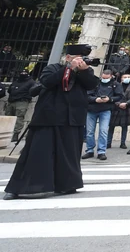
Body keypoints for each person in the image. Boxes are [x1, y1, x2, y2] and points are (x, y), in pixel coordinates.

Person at [4, 44, 99, 200]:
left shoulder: (85, 73)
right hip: (48, 118)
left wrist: (82, 70)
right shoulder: (53, 68)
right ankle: (21, 188)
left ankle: (67, 185)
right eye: (77, 58)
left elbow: (92, 84)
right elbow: (47, 82)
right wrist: (68, 68)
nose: (80, 61)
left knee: (68, 155)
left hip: (72, 119)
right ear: (68, 57)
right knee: (38, 153)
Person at [83, 68, 121, 161]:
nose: (104, 79)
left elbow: (120, 96)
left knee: (103, 131)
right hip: (92, 110)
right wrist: (95, 99)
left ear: (111, 76)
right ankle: (90, 150)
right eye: (103, 77)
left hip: (105, 110)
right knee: (89, 132)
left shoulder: (116, 85)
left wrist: (110, 99)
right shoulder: (95, 83)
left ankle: (101, 152)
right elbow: (87, 96)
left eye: (106, 78)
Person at [5, 71, 37, 143]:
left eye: (24, 73)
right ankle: (6, 132)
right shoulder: (16, 81)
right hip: (11, 101)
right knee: (8, 118)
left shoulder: (31, 82)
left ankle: (15, 134)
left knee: (19, 118)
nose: (23, 74)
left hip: (22, 102)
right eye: (21, 72)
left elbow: (33, 90)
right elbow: (10, 90)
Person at [108, 72, 130, 149]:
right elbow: (112, 96)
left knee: (124, 127)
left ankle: (123, 143)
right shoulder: (116, 86)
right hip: (116, 108)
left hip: (126, 108)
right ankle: (108, 142)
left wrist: (126, 103)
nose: (127, 78)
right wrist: (118, 104)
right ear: (121, 78)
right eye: (125, 77)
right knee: (111, 126)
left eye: (128, 77)